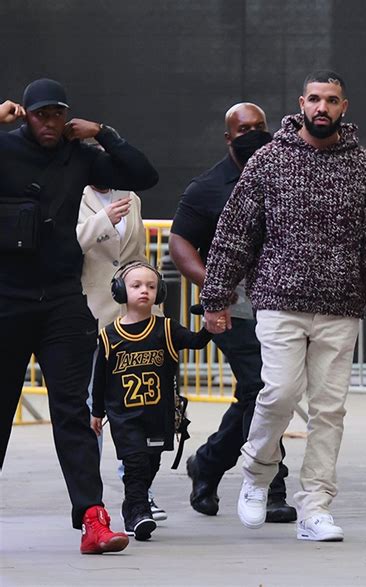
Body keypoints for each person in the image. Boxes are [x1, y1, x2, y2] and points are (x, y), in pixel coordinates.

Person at [200, 71, 366, 541]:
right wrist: (217, 297)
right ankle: (256, 473)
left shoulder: (364, 166)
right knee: (278, 393)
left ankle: (316, 506)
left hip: (340, 306)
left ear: (343, 108)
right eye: (315, 98)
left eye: (331, 100)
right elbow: (235, 233)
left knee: (329, 410)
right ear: (301, 103)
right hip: (278, 301)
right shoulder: (269, 161)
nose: (322, 107)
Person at [0, 79, 159, 554]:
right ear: (26, 114)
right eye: (40, 114)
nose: (48, 123)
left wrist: (104, 132)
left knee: (73, 412)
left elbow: (143, 174)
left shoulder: (81, 155)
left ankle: (93, 517)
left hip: (64, 302)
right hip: (7, 299)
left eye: (57, 114)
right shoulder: (5, 149)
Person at [169, 102, 296, 523]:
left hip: (281, 304)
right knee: (265, 387)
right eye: (244, 128)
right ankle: (272, 487)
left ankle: (207, 463)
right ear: (228, 136)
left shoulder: (287, 172)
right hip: (232, 308)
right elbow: (180, 245)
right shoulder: (207, 187)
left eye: (260, 126)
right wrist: (214, 287)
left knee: (262, 392)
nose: (253, 133)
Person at [90, 261, 213, 540]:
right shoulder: (109, 336)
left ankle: (133, 505)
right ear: (120, 291)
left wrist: (209, 324)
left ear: (160, 292)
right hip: (125, 416)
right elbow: (100, 378)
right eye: (136, 286)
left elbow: (196, 342)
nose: (144, 291)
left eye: (151, 286)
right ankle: (138, 512)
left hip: (158, 414)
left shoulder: (166, 329)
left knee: (151, 463)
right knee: (135, 462)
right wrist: (96, 412)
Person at [77, 181, 167, 521]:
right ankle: (90, 498)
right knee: (92, 405)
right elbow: (74, 245)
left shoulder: (132, 199)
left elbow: (138, 255)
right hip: (93, 311)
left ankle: (139, 492)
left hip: (134, 317)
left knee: (140, 402)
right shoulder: (76, 197)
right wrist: (102, 219)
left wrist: (150, 305)